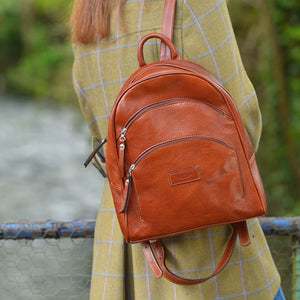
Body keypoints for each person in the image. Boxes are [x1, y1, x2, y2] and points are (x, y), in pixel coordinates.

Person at [71, 0, 284, 299]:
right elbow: (241, 126)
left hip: (121, 247)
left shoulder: (90, 11)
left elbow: (100, 133)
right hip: (208, 248)